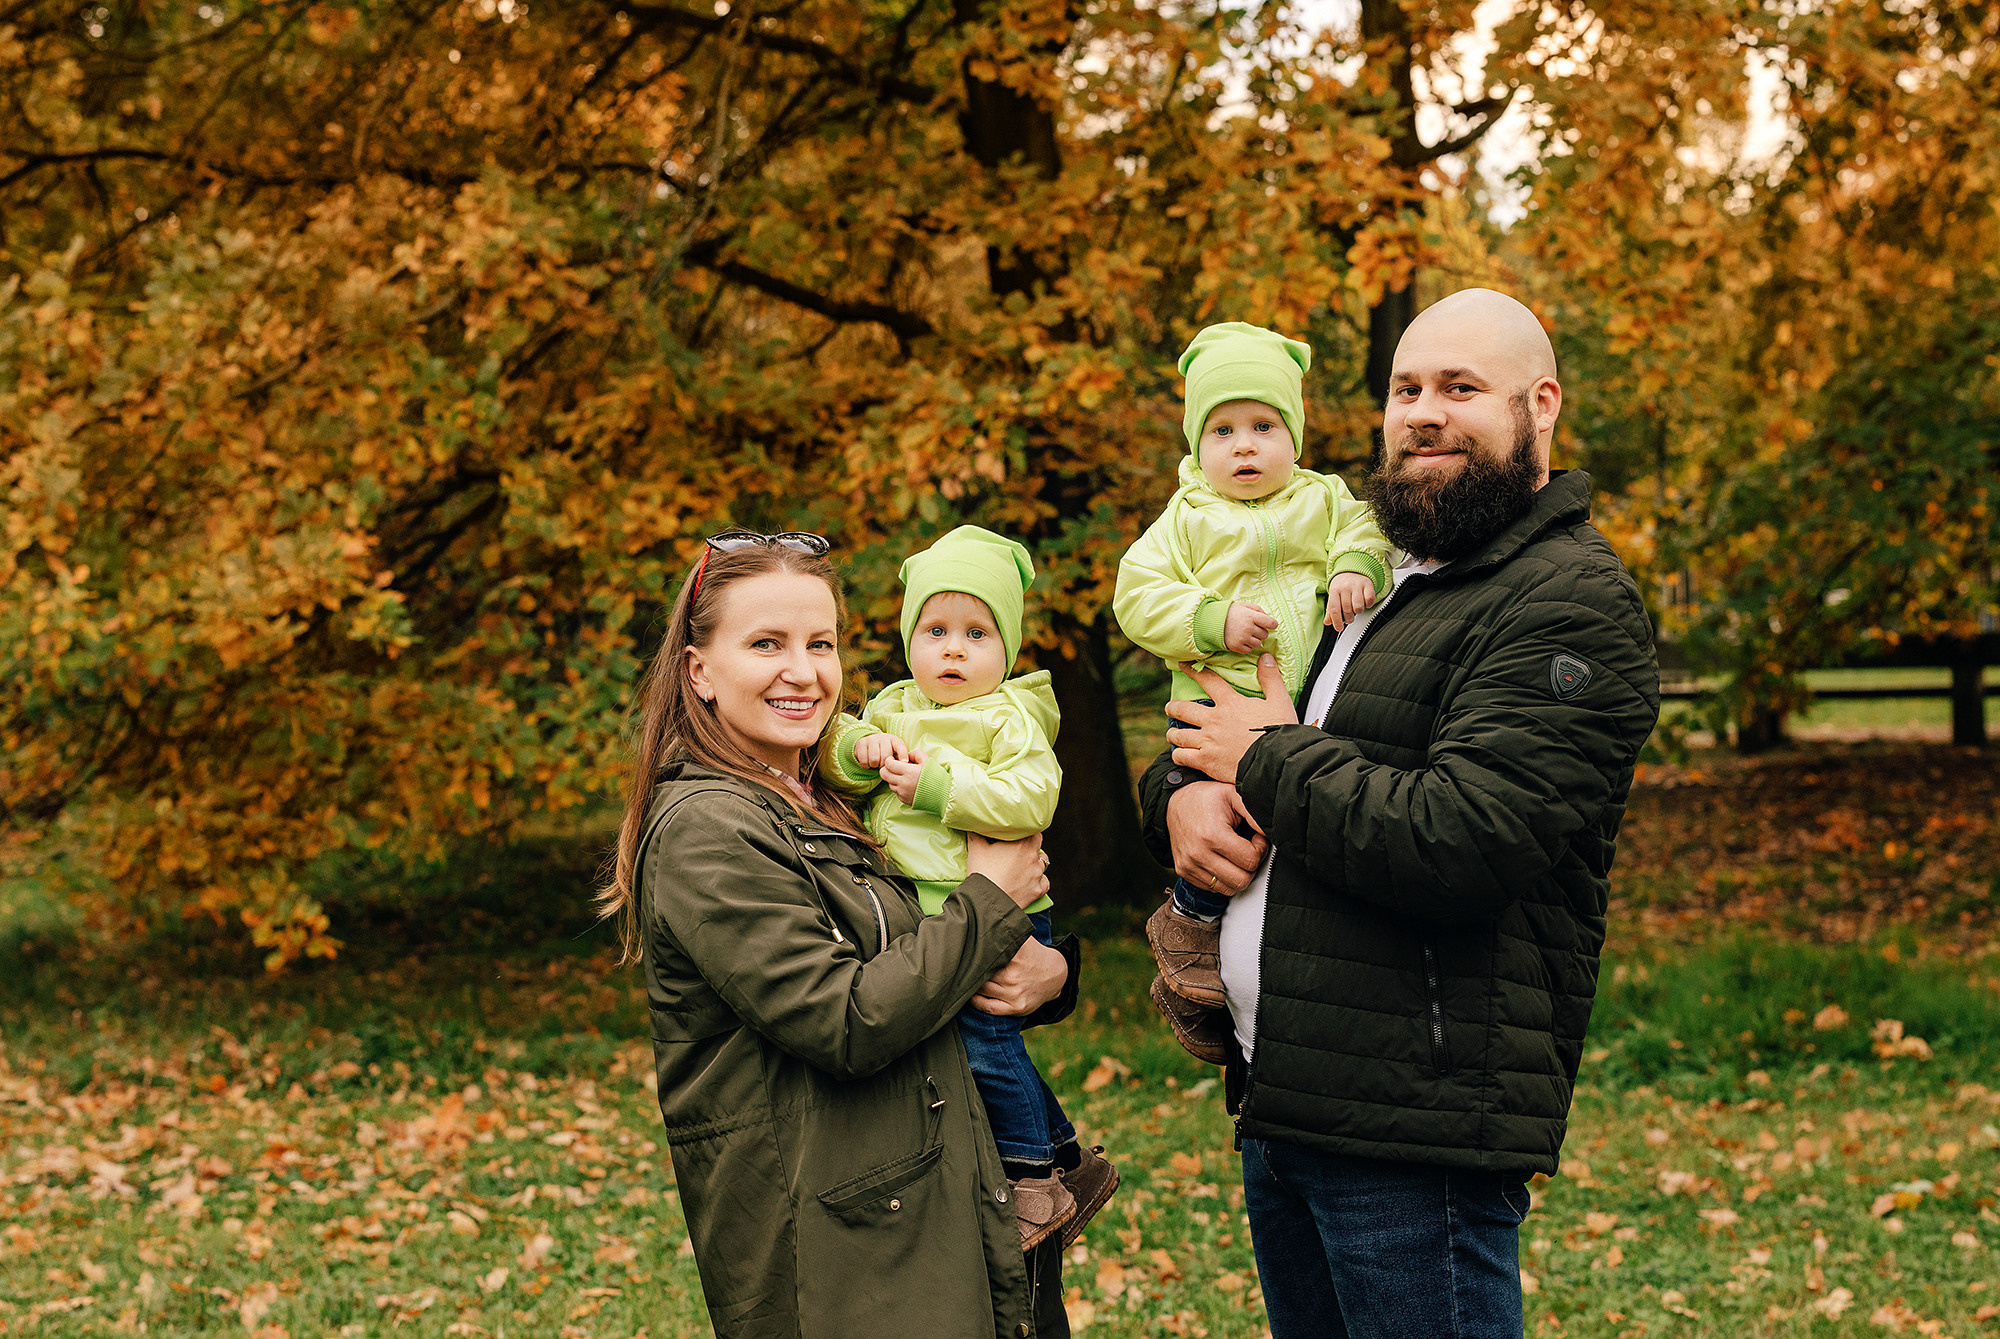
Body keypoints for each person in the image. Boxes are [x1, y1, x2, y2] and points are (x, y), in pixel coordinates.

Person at [1138, 289, 1662, 1338]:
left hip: (1413, 1130)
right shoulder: (1372, 578)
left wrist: (1263, 762)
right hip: (1284, 1099)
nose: (1422, 412)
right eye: (1404, 389)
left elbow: (1463, 836)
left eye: (1459, 389)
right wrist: (1180, 798)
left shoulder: (1564, 599)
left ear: (1539, 404)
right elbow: (1230, 731)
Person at [597, 530, 1080, 1338]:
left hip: (947, 1207)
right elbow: (845, 1019)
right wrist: (992, 899)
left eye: (820, 642)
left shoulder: (832, 791)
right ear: (699, 671)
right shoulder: (709, 829)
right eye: (765, 643)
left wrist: (1053, 971)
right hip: (846, 1263)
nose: (803, 670)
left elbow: (932, 953)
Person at [822, 524, 1118, 1251]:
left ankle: (1033, 1182)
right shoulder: (893, 704)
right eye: (936, 629)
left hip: (1003, 910)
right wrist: (858, 750)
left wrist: (938, 785)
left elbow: (1032, 798)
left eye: (977, 632)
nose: (953, 648)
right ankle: (1070, 1160)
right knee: (972, 1041)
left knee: (984, 1040)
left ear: (1007, 648)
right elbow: (831, 752)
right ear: (909, 637)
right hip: (934, 911)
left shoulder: (1009, 715)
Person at [1112, 322, 1391, 1021]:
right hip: (1218, 717)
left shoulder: (1322, 499)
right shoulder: (1185, 519)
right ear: (1196, 443)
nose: (1243, 445)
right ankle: (1189, 927)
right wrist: (1210, 618)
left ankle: (1246, 987)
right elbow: (1137, 594)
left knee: (1292, 833)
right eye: (1222, 430)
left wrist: (1355, 566)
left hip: (1313, 710)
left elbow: (1365, 529)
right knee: (1227, 832)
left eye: (1263, 425)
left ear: (1293, 434)